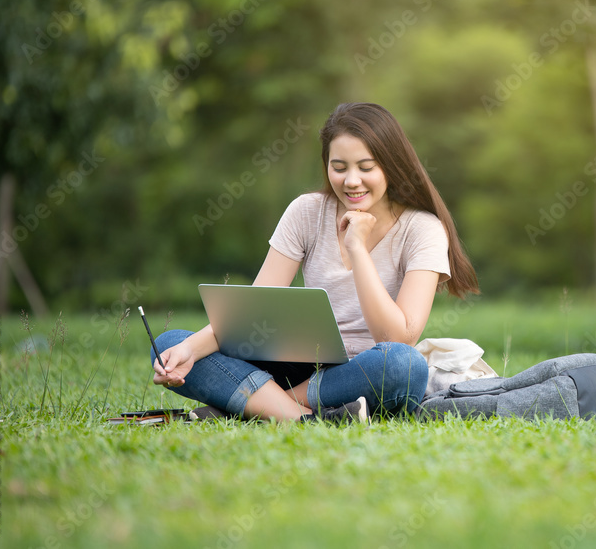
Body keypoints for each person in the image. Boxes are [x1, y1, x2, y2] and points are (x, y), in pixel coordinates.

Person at [151, 102, 479, 422]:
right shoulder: (306, 211)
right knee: (168, 345)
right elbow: (252, 312)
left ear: (391, 166)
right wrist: (190, 350)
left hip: (364, 371)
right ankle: (304, 417)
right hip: (295, 363)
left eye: (366, 167)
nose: (351, 181)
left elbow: (396, 338)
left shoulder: (422, 228)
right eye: (339, 167)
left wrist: (357, 248)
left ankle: (262, 405)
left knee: (405, 366)